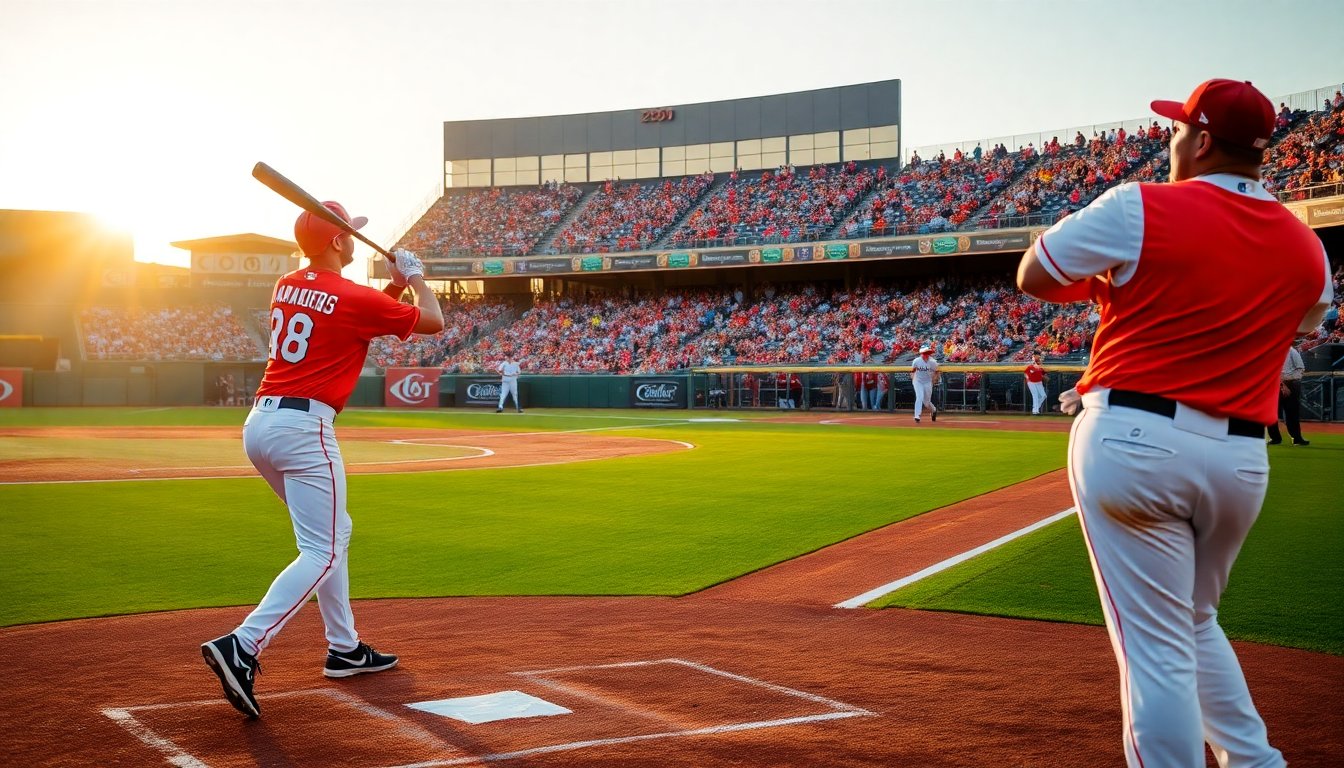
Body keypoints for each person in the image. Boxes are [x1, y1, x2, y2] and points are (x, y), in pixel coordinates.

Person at [1016, 79, 1331, 767]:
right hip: (1241, 461)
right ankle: (1256, 762)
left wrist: (1111, 283)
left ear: (1203, 138)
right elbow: (1300, 320)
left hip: (1134, 438)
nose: (1171, 138)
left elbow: (1033, 274)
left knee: (1155, 648)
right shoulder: (1309, 250)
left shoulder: (1140, 207)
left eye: (1179, 128)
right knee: (1190, 620)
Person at [201, 201, 445, 719]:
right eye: (349, 234)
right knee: (325, 550)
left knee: (332, 537)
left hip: (261, 426)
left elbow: (354, 314)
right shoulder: (351, 294)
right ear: (337, 242)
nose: (354, 241)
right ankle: (243, 644)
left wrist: (395, 285)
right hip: (305, 428)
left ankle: (345, 647)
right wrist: (417, 278)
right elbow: (434, 322)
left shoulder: (287, 283)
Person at [1266, 342, 1309, 446]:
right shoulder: (1270, 352)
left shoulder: (1291, 351)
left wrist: (1286, 382)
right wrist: (1281, 383)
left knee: (1292, 413)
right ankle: (1275, 438)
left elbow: (1300, 369)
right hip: (1275, 383)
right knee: (1271, 413)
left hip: (1291, 384)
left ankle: (1297, 438)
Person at [911, 345, 939, 423]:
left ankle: (933, 410)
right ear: (921, 353)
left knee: (926, 403)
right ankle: (917, 415)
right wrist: (913, 379)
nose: (925, 354)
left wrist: (934, 380)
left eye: (927, 353)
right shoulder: (916, 361)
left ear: (929, 353)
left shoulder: (933, 362)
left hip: (927, 382)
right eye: (923, 353)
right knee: (919, 397)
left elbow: (936, 372)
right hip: (918, 381)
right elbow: (912, 371)